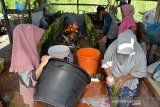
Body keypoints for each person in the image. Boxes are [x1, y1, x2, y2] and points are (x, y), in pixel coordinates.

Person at [102, 29, 147, 107]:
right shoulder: (113, 46)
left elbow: (141, 72)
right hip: (114, 80)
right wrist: (109, 75)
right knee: (112, 103)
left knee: (123, 105)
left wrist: (125, 78)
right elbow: (106, 62)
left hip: (129, 84)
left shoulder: (140, 54)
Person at [9, 24, 51, 107]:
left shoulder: (27, 48)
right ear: (27, 37)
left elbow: (32, 65)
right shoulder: (21, 55)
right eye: (35, 37)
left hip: (35, 89)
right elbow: (29, 82)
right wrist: (42, 64)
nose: (39, 40)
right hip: (31, 92)